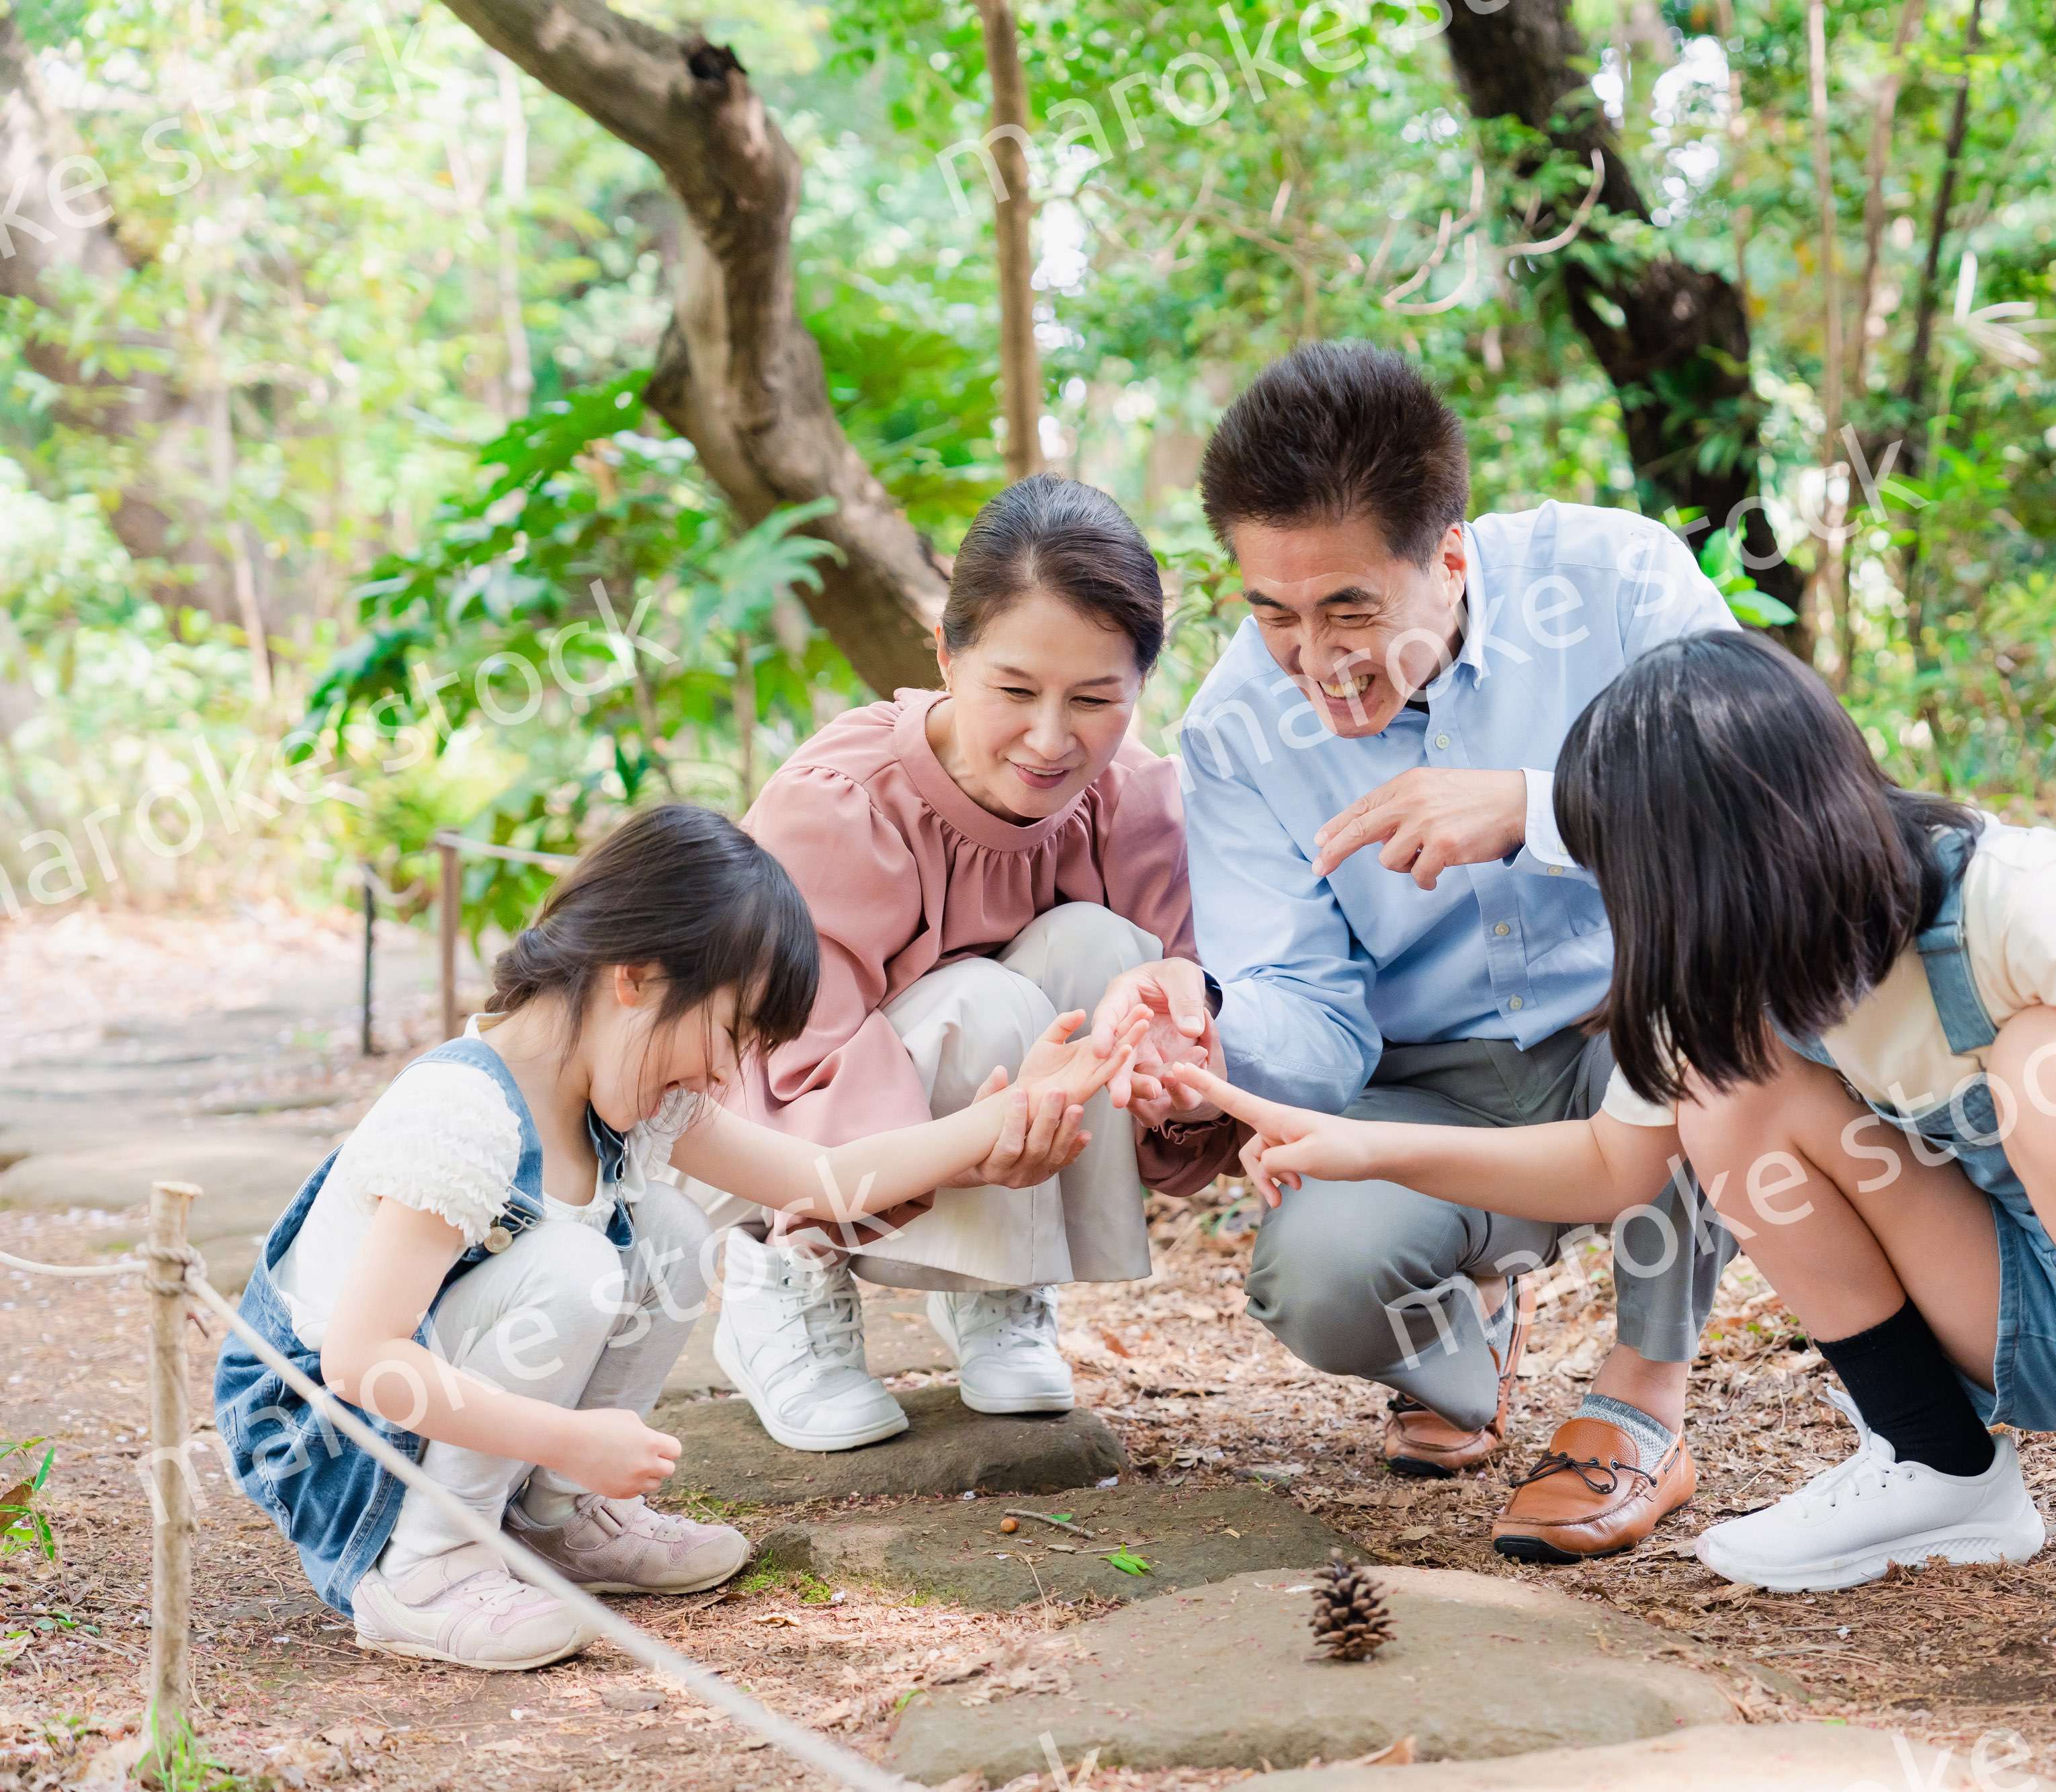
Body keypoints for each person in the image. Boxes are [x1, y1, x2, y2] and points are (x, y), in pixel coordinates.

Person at [1164, 630, 2056, 1684]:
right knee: (1724, 1094)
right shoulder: (1732, 977)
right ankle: (1940, 1470)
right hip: (2040, 1314)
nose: (1630, 914)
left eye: (1637, 881)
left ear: (1735, 865)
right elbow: (1605, 1170)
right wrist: (1366, 1146)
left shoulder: (2020, 900)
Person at [214, 804, 1140, 1670]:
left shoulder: (622, 1095)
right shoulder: (462, 1113)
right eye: (730, 1031)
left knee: (671, 1230)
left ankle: (555, 1523)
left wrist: (1005, 1121)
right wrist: (566, 1436)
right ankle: (423, 1573)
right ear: (634, 977)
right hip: (329, 1438)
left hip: (410, 1410)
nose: (726, 1070)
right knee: (579, 1264)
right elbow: (360, 1360)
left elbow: (819, 1179)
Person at [1164, 341, 1740, 1562]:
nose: (1315, 662)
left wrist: (1539, 810)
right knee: (1317, 1281)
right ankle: (1467, 1312)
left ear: (1453, 557)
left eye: (1350, 609)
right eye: (1272, 612)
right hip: (1431, 1084)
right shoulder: (1231, 734)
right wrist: (1200, 1023)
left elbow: (1760, 810)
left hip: (1636, 1030)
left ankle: (1644, 1394)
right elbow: (1309, 1027)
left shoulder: (1620, 582)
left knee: (1730, 996)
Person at [695, 476, 1239, 1451]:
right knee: (986, 1001)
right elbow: (777, 1058)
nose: (1050, 739)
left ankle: (1000, 1284)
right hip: (784, 1135)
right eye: (1016, 690)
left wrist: (1177, 1069)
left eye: (1096, 699)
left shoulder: (1135, 799)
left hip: (992, 1100)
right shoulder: (841, 803)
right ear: (947, 655)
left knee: (1115, 953)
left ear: (1142, 686)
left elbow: (1192, 989)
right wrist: (973, 1135)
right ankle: (783, 1278)